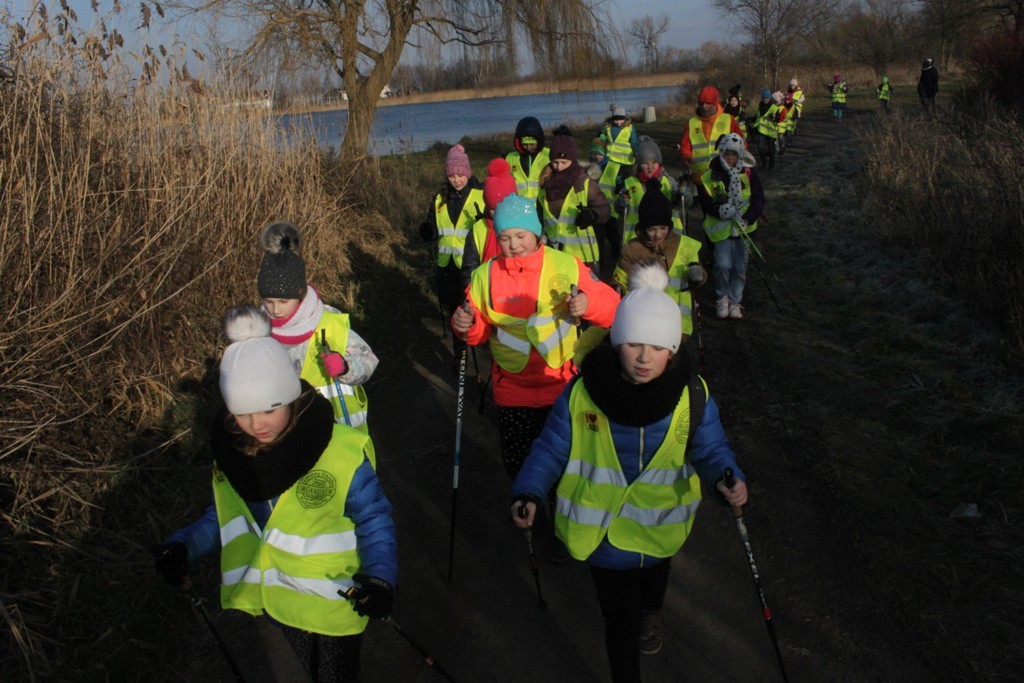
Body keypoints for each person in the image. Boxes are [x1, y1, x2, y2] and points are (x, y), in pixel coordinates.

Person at [510, 261, 748, 682]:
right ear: (616, 341)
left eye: (657, 347)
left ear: (672, 350)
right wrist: (529, 490)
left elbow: (709, 448)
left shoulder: (691, 395)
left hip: (659, 529)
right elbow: (550, 448)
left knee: (653, 590)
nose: (644, 357)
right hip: (602, 536)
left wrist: (725, 477)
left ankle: (652, 612)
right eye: (633, 343)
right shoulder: (583, 392)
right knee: (618, 623)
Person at [154, 305, 398, 683]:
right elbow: (225, 517)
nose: (256, 424)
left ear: (290, 398)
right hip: (281, 601)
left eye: (269, 409)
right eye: (242, 412)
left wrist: (380, 576)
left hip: (338, 598)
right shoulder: (235, 457)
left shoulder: (339, 451)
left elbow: (373, 517)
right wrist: (184, 546)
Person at [452, 194, 620, 481]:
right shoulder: (484, 275)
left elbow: (613, 307)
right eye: (505, 238)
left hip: (561, 385)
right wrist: (464, 324)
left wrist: (587, 305)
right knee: (519, 464)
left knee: (563, 465)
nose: (514, 244)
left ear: (536, 232)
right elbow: (478, 332)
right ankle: (526, 513)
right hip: (511, 389)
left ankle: (557, 516)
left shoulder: (566, 265)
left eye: (520, 235)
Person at [258, 221, 378, 432]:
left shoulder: (328, 322)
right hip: (290, 434)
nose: (275, 309)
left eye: (283, 301)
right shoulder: (260, 333)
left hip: (339, 435)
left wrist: (346, 367)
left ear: (300, 293)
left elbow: (368, 360)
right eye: (269, 301)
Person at [614, 180, 706, 341]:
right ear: (643, 228)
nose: (658, 234)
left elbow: (697, 277)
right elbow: (619, 280)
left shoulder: (685, 245)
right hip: (642, 320)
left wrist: (699, 275)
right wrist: (617, 288)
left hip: (676, 322)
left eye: (663, 228)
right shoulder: (633, 248)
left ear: (670, 226)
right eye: (651, 229)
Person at [419, 144, 485, 359]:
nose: (456, 179)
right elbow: (433, 228)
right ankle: (461, 355)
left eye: (460, 174)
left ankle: (482, 345)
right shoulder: (439, 199)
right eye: (452, 175)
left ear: (468, 173)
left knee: (473, 311)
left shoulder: (480, 195)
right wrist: (427, 231)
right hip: (446, 266)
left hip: (471, 266)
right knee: (454, 313)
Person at [696, 133, 766, 320]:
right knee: (722, 265)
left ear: (740, 155)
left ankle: (736, 302)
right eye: (727, 153)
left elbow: (758, 200)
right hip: (721, 231)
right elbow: (705, 201)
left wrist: (749, 218)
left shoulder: (749, 173)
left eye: (734, 154)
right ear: (721, 153)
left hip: (744, 230)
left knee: (740, 268)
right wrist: (719, 211)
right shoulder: (710, 175)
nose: (730, 158)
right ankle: (722, 298)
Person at [538, 125, 611, 273]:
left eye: (564, 163)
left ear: (573, 160)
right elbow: (540, 216)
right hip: (554, 256)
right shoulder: (544, 185)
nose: (559, 167)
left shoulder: (584, 184)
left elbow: (605, 210)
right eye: (555, 162)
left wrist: (592, 215)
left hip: (584, 258)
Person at [460, 157, 518, 287]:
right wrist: (471, 294)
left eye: (503, 208)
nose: (498, 213)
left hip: (517, 292)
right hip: (486, 290)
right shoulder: (478, 229)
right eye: (493, 208)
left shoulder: (525, 228)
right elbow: (469, 268)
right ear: (487, 205)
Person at [620, 137, 684, 243]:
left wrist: (684, 195)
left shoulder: (668, 181)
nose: (650, 167)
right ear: (639, 165)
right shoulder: (629, 183)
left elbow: (682, 203)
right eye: (645, 163)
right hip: (638, 234)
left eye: (654, 162)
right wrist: (621, 203)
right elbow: (620, 209)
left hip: (666, 233)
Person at [680, 85, 745, 186]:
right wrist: (686, 158)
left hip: (724, 175)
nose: (704, 106)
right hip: (700, 179)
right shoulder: (691, 123)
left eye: (708, 103)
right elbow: (685, 146)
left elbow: (741, 143)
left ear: (715, 104)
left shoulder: (728, 120)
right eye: (701, 103)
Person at [506, 116, 551, 200]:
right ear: (519, 142)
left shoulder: (548, 155)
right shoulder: (510, 158)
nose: (528, 148)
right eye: (525, 144)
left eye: (532, 144)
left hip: (542, 208)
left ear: (539, 141)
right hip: (519, 209)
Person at [749, 88, 784, 169]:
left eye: (767, 98)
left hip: (770, 131)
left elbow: (779, 118)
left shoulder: (774, 107)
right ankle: (764, 162)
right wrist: (751, 119)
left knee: (771, 149)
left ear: (770, 98)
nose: (765, 100)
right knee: (760, 148)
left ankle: (771, 164)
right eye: (764, 98)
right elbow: (757, 116)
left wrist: (775, 117)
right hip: (761, 130)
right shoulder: (759, 105)